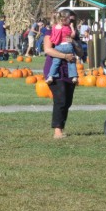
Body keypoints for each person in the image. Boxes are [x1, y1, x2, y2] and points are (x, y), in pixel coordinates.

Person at [43, 9, 79, 139]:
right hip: (54, 70)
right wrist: (65, 56)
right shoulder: (51, 31)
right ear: (62, 18)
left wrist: (73, 42)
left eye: (73, 20)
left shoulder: (73, 33)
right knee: (61, 99)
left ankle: (61, 128)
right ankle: (57, 131)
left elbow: (80, 52)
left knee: (67, 101)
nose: (71, 22)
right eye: (70, 19)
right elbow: (48, 50)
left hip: (70, 70)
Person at [45, 11, 79, 85]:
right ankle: (74, 76)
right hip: (68, 46)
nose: (71, 21)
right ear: (66, 19)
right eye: (70, 19)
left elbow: (53, 26)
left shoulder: (55, 27)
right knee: (71, 61)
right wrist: (72, 27)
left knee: (55, 62)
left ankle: (51, 76)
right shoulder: (67, 28)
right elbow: (72, 35)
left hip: (59, 46)